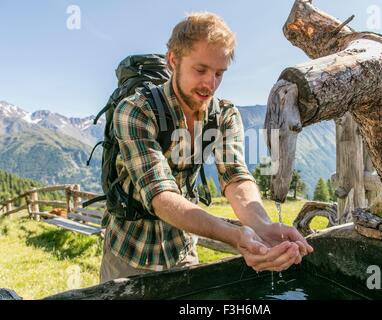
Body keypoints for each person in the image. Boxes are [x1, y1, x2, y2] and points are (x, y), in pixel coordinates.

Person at [100, 12, 313, 283]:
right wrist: (237, 236)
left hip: (183, 250)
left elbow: (236, 177)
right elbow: (161, 196)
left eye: (219, 73)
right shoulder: (135, 111)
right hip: (129, 253)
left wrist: (263, 226)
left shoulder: (224, 115)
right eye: (200, 70)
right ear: (173, 61)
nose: (210, 84)